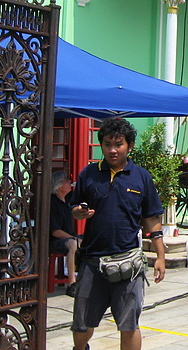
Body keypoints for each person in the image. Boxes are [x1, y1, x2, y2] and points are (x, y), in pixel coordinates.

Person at [70, 117, 166, 350]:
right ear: (101, 145)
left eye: (118, 144)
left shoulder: (141, 177)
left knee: (129, 323)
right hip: (92, 261)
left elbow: (151, 220)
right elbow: (74, 208)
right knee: (82, 323)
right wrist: (79, 213)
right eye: (107, 144)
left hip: (127, 263)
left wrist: (160, 257)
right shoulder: (89, 174)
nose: (112, 150)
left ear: (129, 146)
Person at [49, 170, 80, 297]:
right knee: (73, 244)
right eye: (67, 181)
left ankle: (86, 279)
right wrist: (74, 238)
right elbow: (55, 232)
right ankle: (71, 283)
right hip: (55, 241)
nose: (70, 182)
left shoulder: (67, 200)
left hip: (69, 237)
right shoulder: (52, 203)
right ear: (59, 186)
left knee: (91, 239)